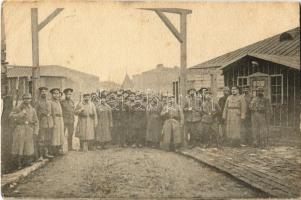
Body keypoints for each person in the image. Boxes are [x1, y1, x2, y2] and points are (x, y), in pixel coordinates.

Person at [9, 94, 39, 169]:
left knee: (28, 146)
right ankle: (19, 163)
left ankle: (27, 161)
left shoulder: (32, 109)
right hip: (20, 128)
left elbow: (36, 121)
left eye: (29, 99)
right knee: (19, 146)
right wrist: (21, 114)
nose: (27, 100)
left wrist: (36, 131)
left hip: (29, 128)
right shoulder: (18, 108)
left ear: (31, 99)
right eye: (25, 98)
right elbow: (11, 116)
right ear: (23, 99)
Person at [35, 87, 54, 160]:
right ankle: (40, 155)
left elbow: (52, 112)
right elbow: (35, 113)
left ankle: (46, 153)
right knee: (41, 139)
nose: (44, 93)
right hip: (42, 123)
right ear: (40, 93)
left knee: (48, 138)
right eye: (42, 92)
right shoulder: (38, 102)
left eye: (45, 91)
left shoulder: (49, 102)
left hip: (49, 123)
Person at [49, 88, 65, 156]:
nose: (56, 95)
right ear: (52, 94)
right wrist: (52, 122)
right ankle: (54, 151)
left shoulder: (58, 102)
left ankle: (59, 149)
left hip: (60, 119)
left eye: (57, 93)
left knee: (60, 135)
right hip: (55, 119)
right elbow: (50, 113)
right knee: (55, 136)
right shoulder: (50, 102)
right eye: (54, 94)